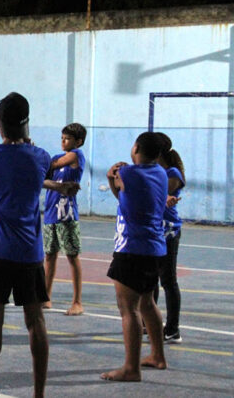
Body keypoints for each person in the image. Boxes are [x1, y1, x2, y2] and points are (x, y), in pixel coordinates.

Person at [0, 92, 79, 398]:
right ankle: (38, 394)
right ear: (27, 123)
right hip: (30, 253)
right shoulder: (41, 157)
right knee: (36, 322)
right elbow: (38, 163)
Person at [101, 131, 168, 381]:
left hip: (131, 248)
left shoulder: (128, 173)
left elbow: (120, 183)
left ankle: (131, 368)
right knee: (147, 303)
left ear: (136, 147)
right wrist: (114, 179)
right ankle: (158, 356)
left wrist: (113, 174)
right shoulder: (160, 173)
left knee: (127, 308)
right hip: (154, 248)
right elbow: (124, 197)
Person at [42, 123, 87, 316]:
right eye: (61, 138)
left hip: (66, 214)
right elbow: (42, 176)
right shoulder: (55, 158)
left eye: (67, 139)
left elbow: (52, 166)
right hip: (51, 213)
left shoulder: (76, 155)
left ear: (78, 142)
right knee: (49, 256)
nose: (63, 141)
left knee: (72, 255)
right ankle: (46, 297)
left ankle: (77, 301)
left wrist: (38, 158)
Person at [153, 132, 185, 344]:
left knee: (168, 280)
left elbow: (161, 193)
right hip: (153, 228)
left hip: (168, 230)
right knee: (150, 279)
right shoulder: (153, 170)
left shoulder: (172, 172)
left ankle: (172, 329)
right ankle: (149, 323)